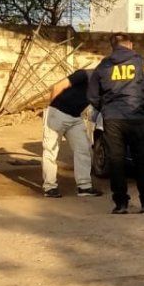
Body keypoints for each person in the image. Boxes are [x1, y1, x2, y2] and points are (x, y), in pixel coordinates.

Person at [88, 34, 144, 214]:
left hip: (113, 120)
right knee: (142, 161)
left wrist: (105, 109)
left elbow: (92, 96)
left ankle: (120, 204)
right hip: (138, 117)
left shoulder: (103, 66)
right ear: (130, 44)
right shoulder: (143, 62)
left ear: (113, 47)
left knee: (116, 161)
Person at [40, 70, 103, 198]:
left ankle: (84, 186)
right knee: (51, 150)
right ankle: (50, 187)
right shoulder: (84, 74)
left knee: (83, 149)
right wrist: (52, 109)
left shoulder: (105, 83)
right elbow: (58, 87)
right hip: (57, 113)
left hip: (75, 117)